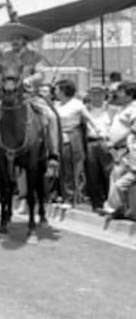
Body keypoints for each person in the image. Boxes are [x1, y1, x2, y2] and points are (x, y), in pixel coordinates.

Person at [0, 22, 60, 169]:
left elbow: (41, 74)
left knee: (52, 117)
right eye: (12, 38)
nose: (14, 41)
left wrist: (29, 80)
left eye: (18, 38)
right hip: (7, 98)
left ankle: (53, 154)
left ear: (24, 40)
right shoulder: (5, 55)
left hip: (29, 96)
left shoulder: (35, 56)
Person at [53, 79, 105, 205]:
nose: (54, 91)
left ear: (63, 90)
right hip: (59, 136)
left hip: (73, 136)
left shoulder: (76, 104)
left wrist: (99, 131)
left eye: (57, 89)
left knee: (74, 167)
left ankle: (75, 197)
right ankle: (66, 196)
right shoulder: (56, 105)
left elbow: (89, 118)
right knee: (63, 168)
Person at [101, 81, 136, 217]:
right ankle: (118, 209)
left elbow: (132, 129)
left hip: (126, 150)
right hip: (117, 149)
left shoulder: (133, 108)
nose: (117, 94)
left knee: (121, 181)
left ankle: (118, 208)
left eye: (120, 91)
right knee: (115, 178)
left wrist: (115, 141)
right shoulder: (123, 107)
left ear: (130, 94)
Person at [84, 85, 116, 211]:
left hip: (107, 143)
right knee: (92, 174)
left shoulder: (112, 110)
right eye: (93, 94)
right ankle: (97, 203)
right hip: (90, 143)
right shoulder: (84, 110)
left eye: (99, 94)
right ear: (89, 96)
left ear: (104, 95)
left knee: (109, 173)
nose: (96, 97)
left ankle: (111, 202)